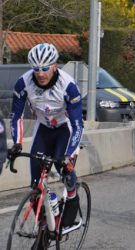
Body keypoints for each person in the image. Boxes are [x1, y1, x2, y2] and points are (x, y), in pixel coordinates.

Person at [9, 43, 83, 226]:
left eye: (44, 68)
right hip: (43, 128)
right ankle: (44, 228)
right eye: (36, 69)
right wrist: (17, 144)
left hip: (65, 129)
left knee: (63, 168)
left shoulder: (68, 86)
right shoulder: (23, 83)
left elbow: (77, 124)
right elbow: (16, 116)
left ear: (54, 66)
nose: (40, 73)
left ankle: (72, 197)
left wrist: (69, 154)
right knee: (36, 184)